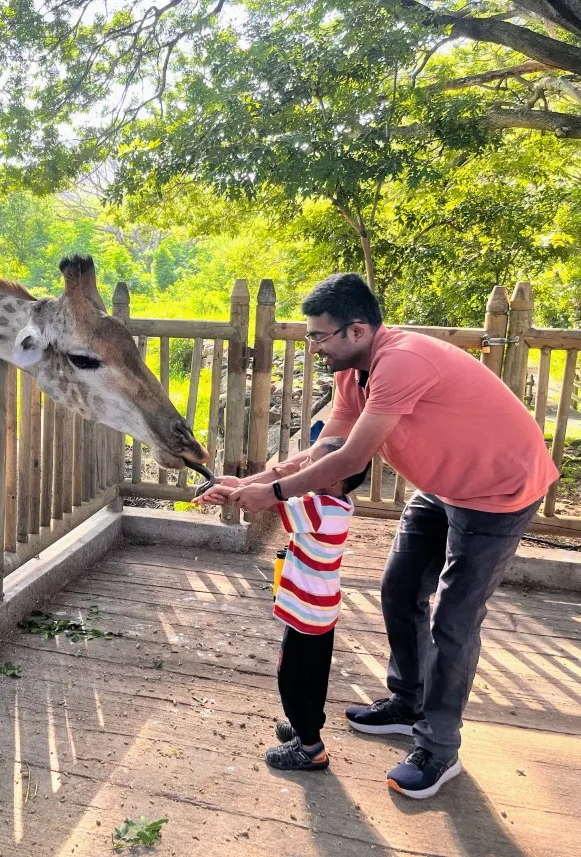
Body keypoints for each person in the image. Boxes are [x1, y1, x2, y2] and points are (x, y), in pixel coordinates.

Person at [211, 273, 558, 799]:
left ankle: (439, 750)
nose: (315, 347)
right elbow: (327, 450)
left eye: (320, 337)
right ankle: (408, 700)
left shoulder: (402, 362)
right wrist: (255, 481)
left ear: (356, 329)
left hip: (499, 491)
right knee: (399, 589)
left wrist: (274, 495)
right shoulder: (355, 372)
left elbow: (352, 460)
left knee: (455, 618)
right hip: (443, 487)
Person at [201, 437, 368, 771]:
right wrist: (242, 485)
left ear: (333, 477)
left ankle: (309, 747)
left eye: (313, 466)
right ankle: (306, 726)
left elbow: (269, 502)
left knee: (291, 677)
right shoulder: (338, 504)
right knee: (314, 675)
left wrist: (232, 493)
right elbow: (279, 493)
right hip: (320, 609)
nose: (304, 469)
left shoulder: (317, 509)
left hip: (307, 610)